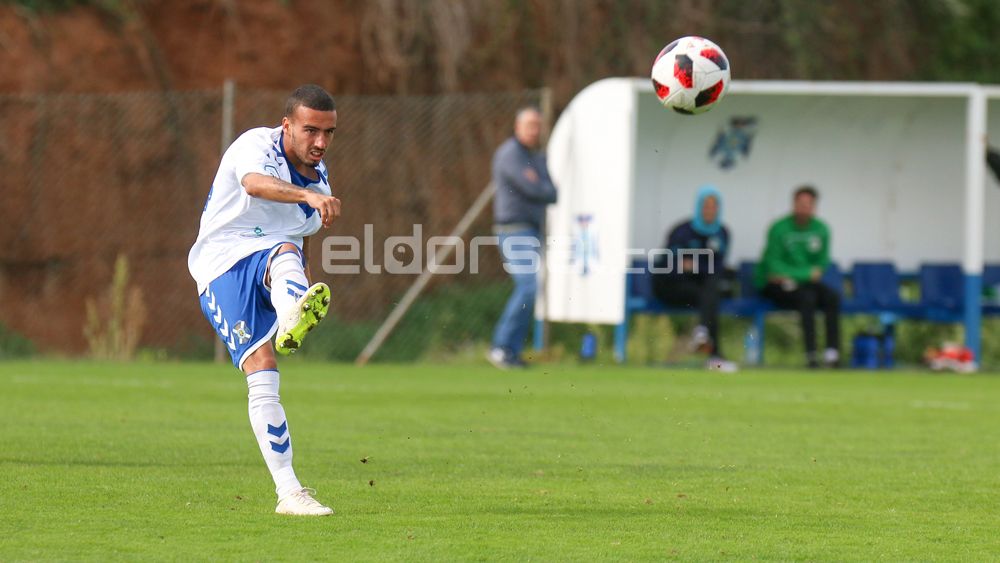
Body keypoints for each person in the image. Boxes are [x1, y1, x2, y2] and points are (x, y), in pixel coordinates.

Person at [188, 84, 342, 515]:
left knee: (286, 252)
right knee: (261, 367)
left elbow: (296, 236)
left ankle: (291, 494)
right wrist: (308, 196)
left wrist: (302, 281)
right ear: (287, 125)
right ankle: (287, 491)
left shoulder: (320, 177)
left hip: (273, 257)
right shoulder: (255, 144)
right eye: (311, 130)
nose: (320, 142)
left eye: (329, 133)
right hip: (221, 264)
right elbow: (255, 185)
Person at [487, 107, 557, 369]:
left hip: (531, 229)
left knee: (530, 288)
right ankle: (501, 347)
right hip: (514, 229)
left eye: (538, 125)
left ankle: (509, 350)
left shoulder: (536, 157)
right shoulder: (510, 154)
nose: (534, 130)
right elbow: (534, 188)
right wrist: (540, 186)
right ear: (517, 127)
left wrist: (541, 186)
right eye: (529, 125)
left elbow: (552, 192)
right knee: (528, 286)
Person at [652, 185, 736, 372]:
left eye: (714, 206)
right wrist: (694, 267)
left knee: (710, 291)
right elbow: (668, 265)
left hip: (700, 290)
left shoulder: (722, 233)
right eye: (706, 206)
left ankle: (703, 335)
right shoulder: (682, 231)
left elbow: (718, 266)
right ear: (699, 207)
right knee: (710, 294)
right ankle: (714, 353)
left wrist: (695, 266)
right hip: (672, 286)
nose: (710, 210)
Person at [755, 185, 841, 368]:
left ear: (814, 206)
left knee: (832, 297)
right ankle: (811, 354)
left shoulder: (821, 229)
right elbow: (773, 266)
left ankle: (832, 353)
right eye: (800, 203)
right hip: (775, 286)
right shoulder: (778, 228)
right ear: (793, 204)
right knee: (807, 297)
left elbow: (821, 264)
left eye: (808, 204)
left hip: (804, 284)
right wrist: (805, 274)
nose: (804, 207)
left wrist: (797, 275)